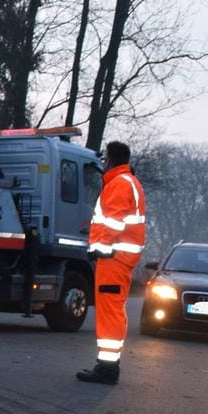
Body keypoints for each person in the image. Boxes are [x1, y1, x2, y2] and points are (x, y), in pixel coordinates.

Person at [77, 140, 147, 384]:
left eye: (105, 159)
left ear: (110, 160)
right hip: (120, 257)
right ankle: (108, 365)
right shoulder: (128, 182)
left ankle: (107, 368)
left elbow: (114, 222)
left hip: (113, 257)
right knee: (113, 310)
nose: (103, 163)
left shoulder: (119, 183)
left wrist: (100, 248)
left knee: (109, 312)